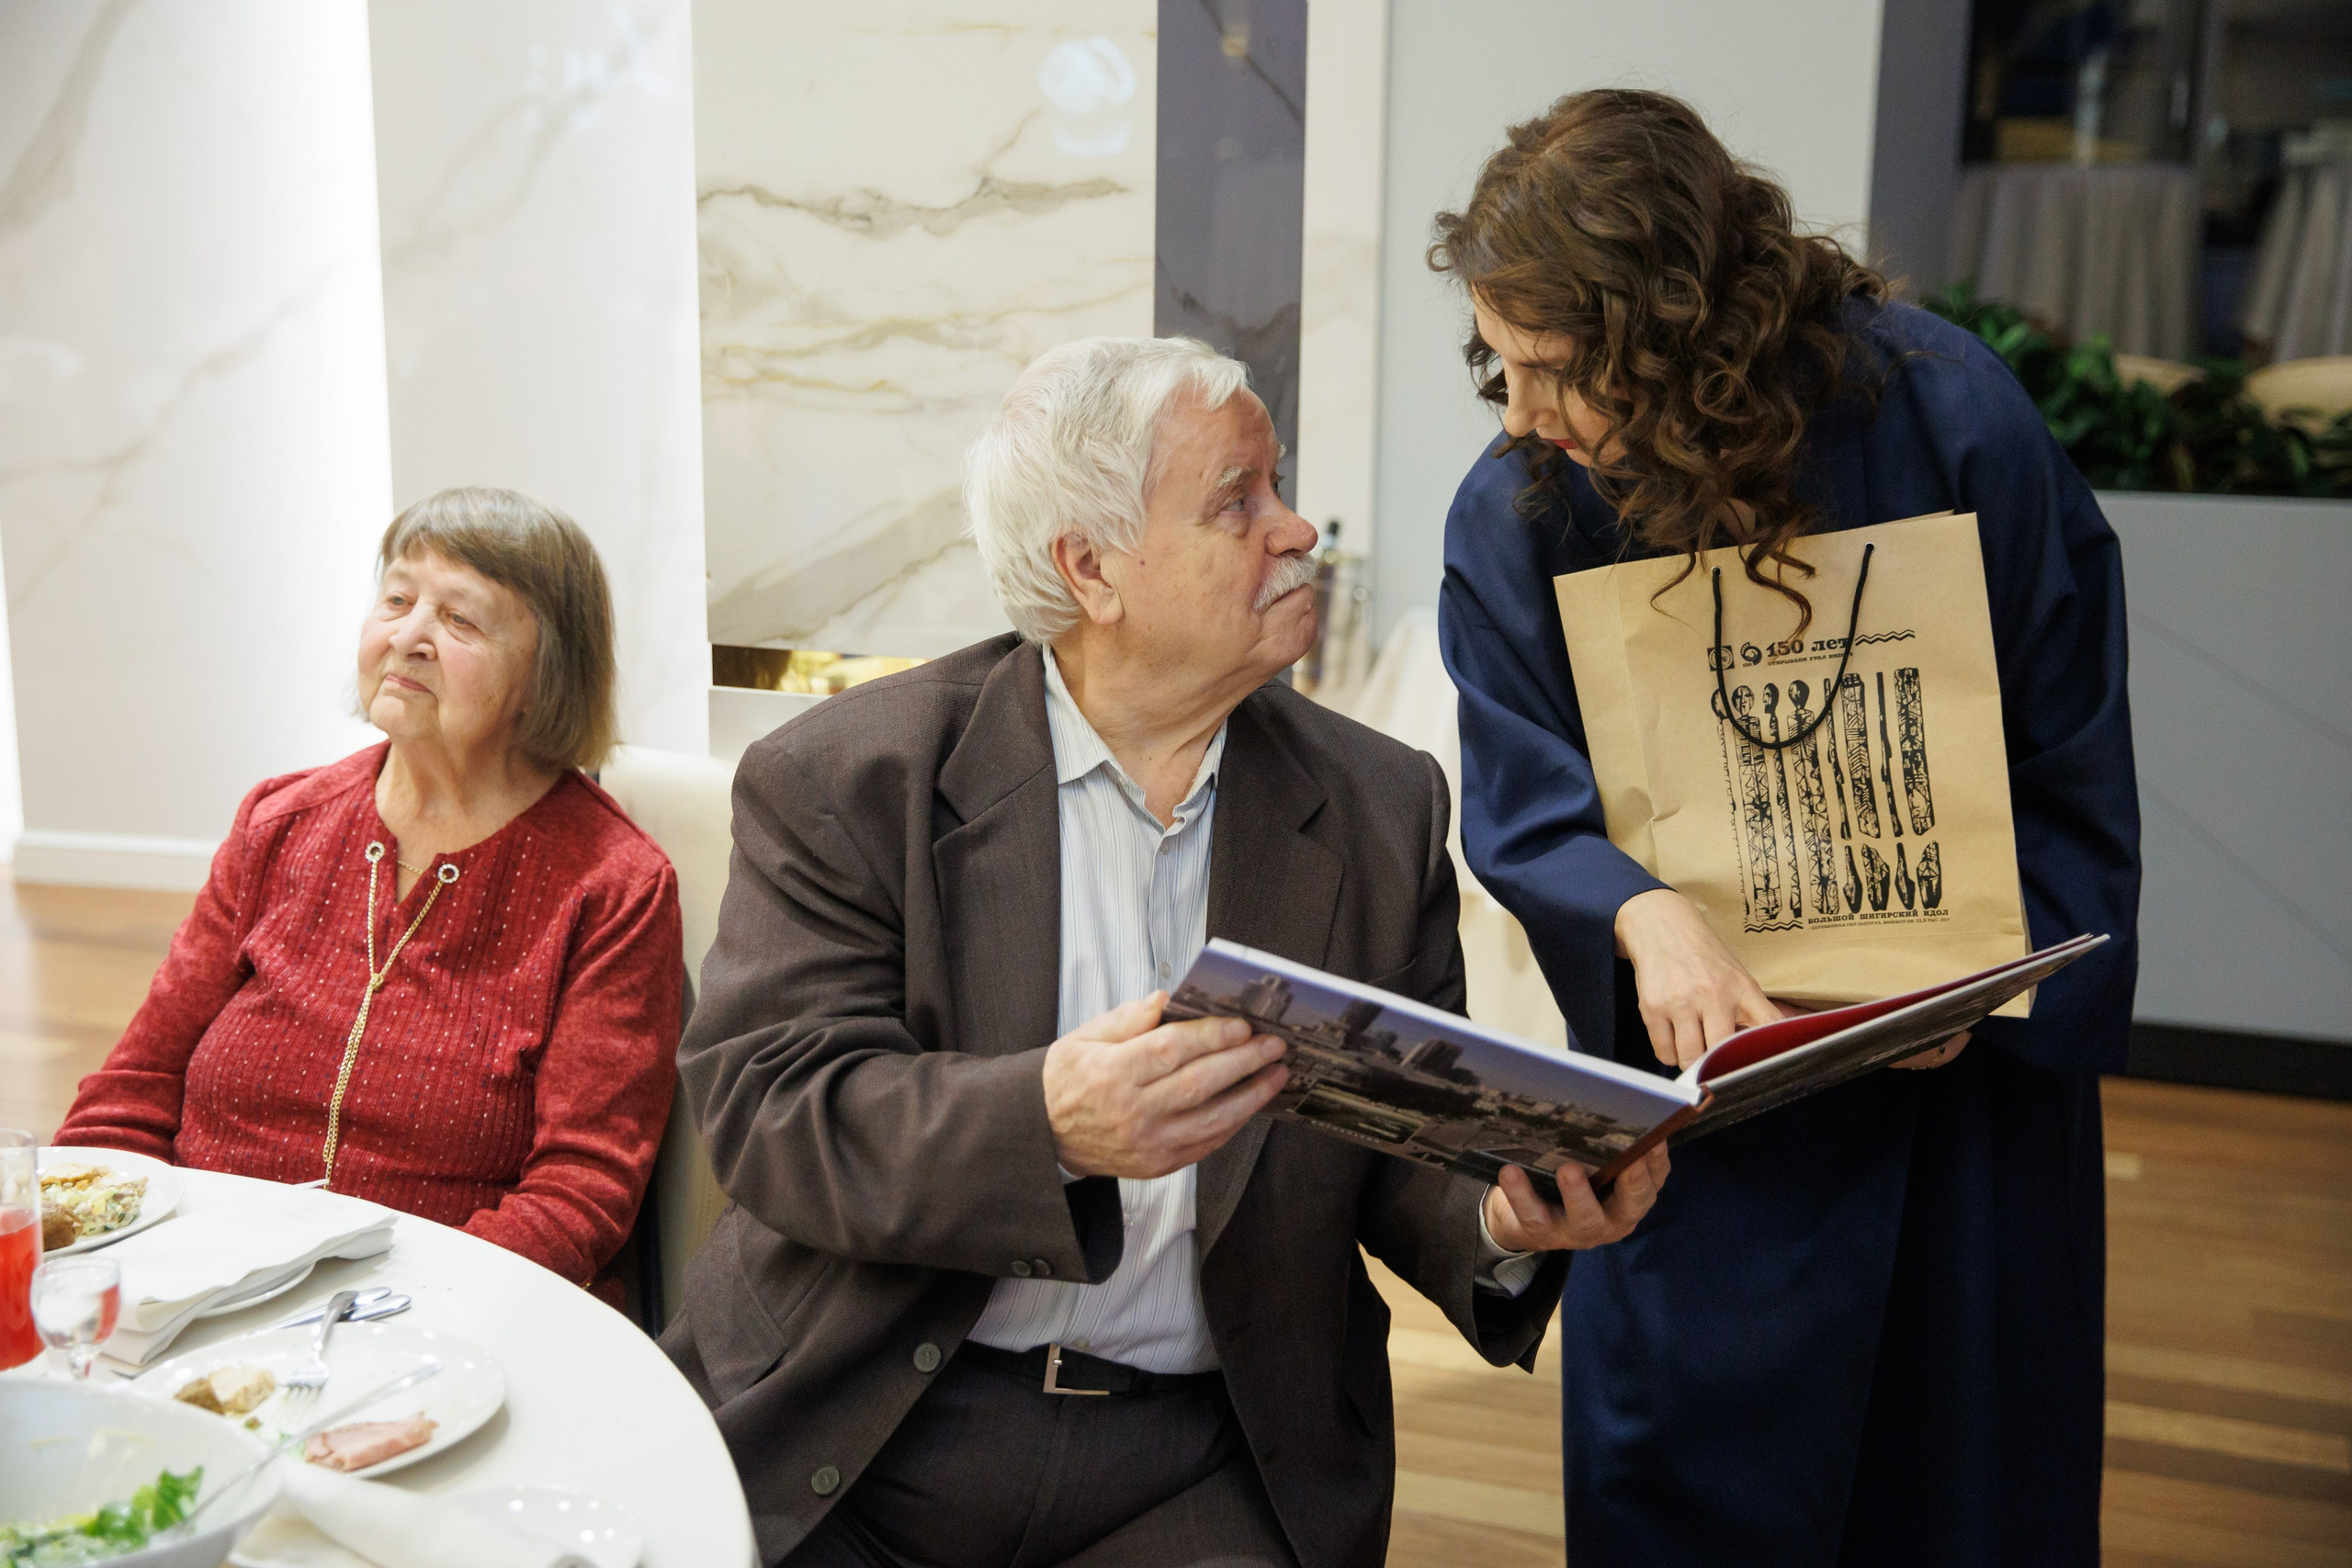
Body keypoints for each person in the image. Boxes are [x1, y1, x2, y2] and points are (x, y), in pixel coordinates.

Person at [662, 335, 1670, 1568]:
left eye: (1279, 485)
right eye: (1237, 500)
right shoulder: (851, 777)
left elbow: (1397, 1142)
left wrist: (1511, 1214)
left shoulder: (1378, 804)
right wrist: (1046, 1122)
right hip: (875, 1415)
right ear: (1091, 568)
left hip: (1200, 1452)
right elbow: (771, 1109)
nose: (1298, 529)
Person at [1431, 90, 2141, 1567]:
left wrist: (1986, 978)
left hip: (1960, 1136)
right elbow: (1519, 789)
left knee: (1960, 1495)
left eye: (1553, 369)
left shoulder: (1953, 418)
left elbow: (2071, 756)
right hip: (1712, 1134)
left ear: (1681, 336)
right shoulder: (1522, 505)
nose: (1519, 415)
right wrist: (1638, 909)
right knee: (1694, 1496)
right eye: (1496, 362)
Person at [58, 487, 683, 1292]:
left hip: (428, 1315)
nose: (409, 637)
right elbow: (132, 1089)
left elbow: (579, 1191)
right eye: (396, 598)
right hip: (187, 1281)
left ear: (545, 673)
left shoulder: (612, 884)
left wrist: (399, 1310)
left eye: (460, 619)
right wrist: (95, 1257)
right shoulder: (279, 822)